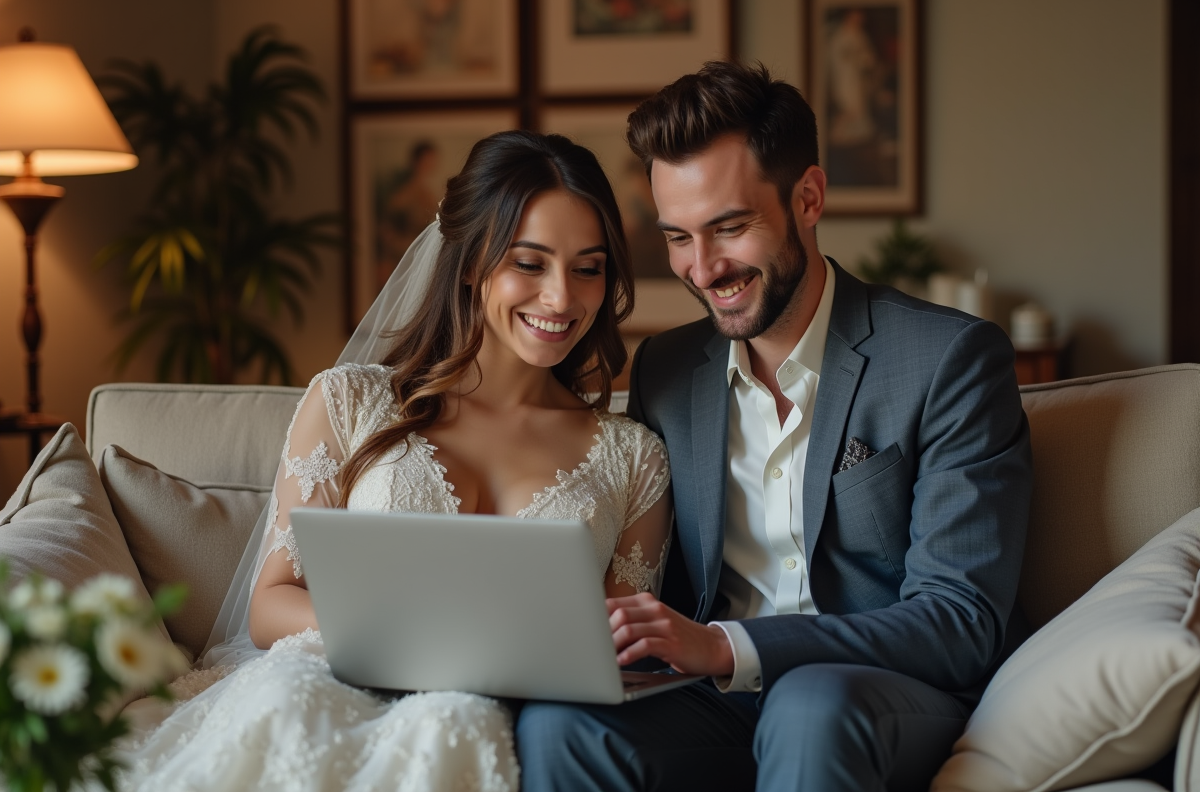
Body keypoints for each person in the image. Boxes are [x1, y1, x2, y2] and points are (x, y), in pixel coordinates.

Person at [516, 61, 1033, 791]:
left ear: (809, 198)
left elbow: (960, 621)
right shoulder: (665, 369)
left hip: (882, 697)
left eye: (729, 227)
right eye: (677, 237)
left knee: (809, 703)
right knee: (559, 725)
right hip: (712, 707)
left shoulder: (949, 359)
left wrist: (725, 647)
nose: (702, 269)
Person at [113, 130, 673, 791]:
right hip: (327, 683)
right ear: (469, 264)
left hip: (505, 726)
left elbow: (617, 655)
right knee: (297, 712)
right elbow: (271, 605)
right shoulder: (348, 401)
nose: (561, 298)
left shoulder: (634, 458)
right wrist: (431, 644)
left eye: (588, 267)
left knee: (448, 725)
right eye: (529, 263)